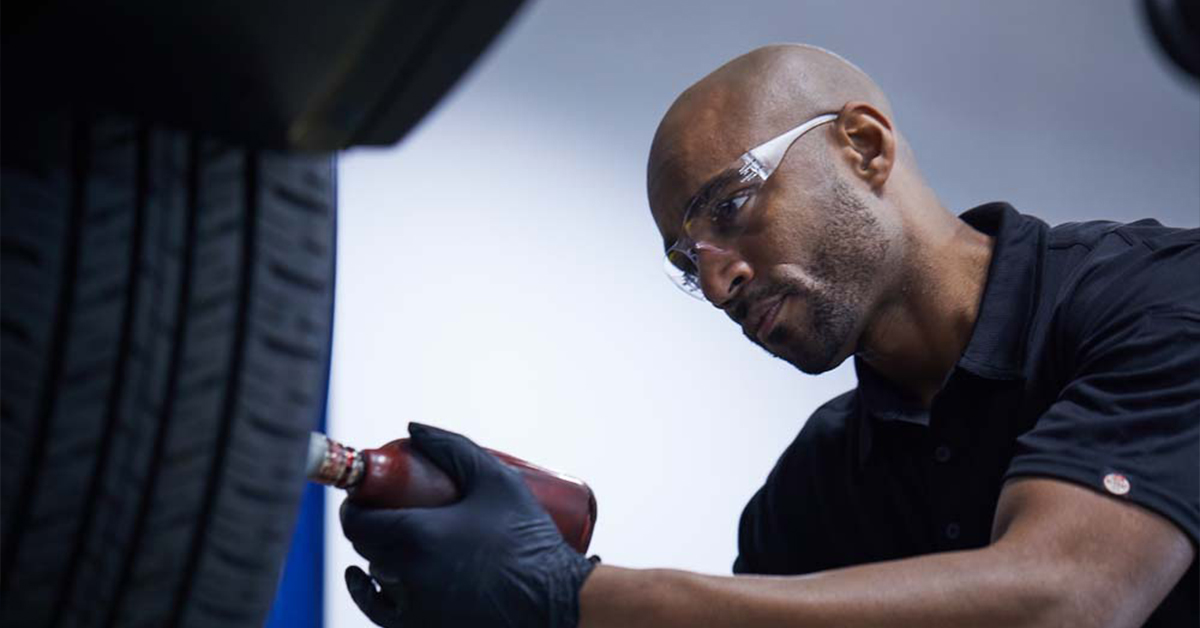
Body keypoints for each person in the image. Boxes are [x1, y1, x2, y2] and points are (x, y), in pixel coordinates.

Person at [339, 44, 1198, 627]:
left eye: (732, 206)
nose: (716, 282)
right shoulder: (817, 488)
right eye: (688, 260)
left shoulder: (1155, 300)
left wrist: (577, 599)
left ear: (863, 147)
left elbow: (1068, 599)